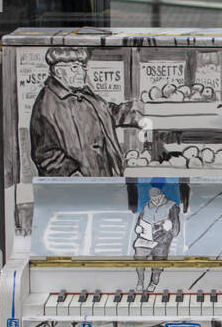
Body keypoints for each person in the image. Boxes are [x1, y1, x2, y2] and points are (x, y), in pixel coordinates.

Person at [29, 47, 144, 177]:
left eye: (83, 67)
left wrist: (139, 111)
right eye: (74, 68)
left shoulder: (85, 95)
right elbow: (45, 154)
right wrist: (73, 175)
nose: (81, 73)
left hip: (104, 179)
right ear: (59, 71)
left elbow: (108, 112)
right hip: (77, 188)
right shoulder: (47, 103)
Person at [132, 184, 180, 291]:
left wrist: (168, 228)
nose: (156, 201)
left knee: (158, 260)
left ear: (162, 196)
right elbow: (140, 221)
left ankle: (154, 282)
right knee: (139, 256)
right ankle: (140, 281)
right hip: (146, 238)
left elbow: (175, 230)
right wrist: (138, 228)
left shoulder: (171, 206)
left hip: (161, 240)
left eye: (158, 199)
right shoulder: (146, 206)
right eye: (153, 200)